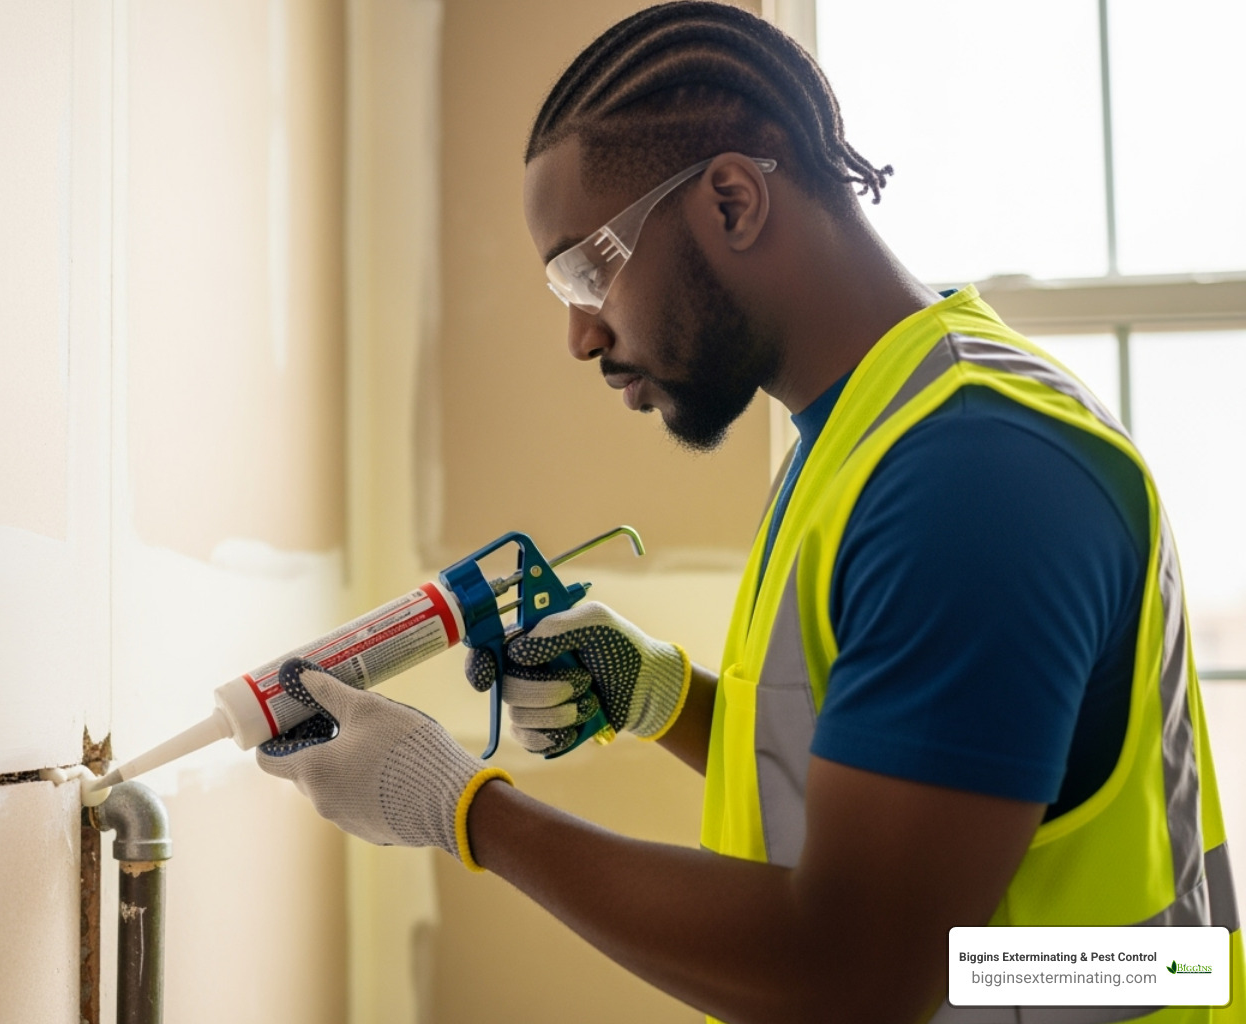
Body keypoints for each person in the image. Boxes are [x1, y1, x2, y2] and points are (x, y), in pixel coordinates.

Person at [257, 3, 1243, 1021]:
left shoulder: (975, 477)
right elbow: (911, 812)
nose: (580, 335)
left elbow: (857, 970)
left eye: (586, 269)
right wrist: (663, 696)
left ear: (731, 200)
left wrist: (464, 810)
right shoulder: (872, 433)